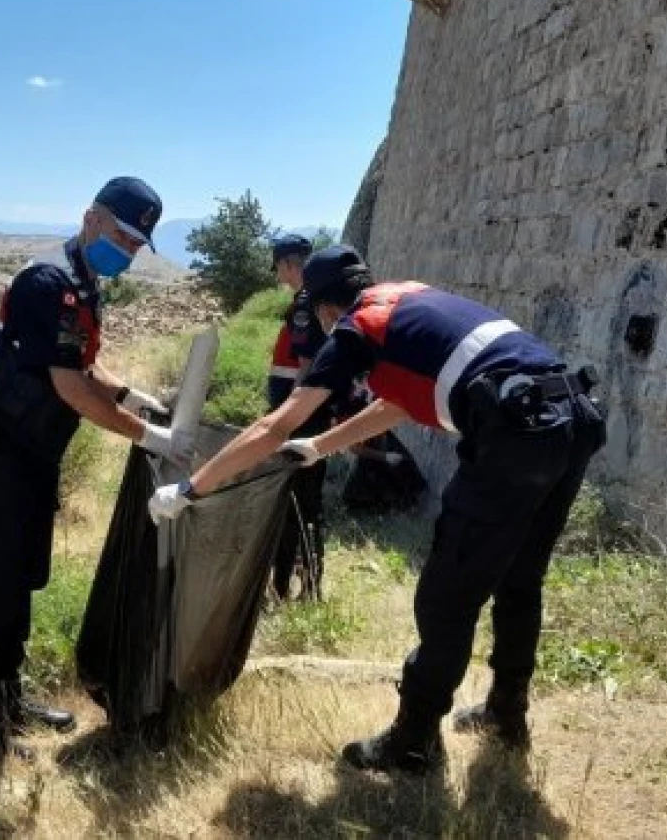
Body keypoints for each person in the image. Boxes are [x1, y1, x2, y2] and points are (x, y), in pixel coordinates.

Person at [149, 245, 606, 774]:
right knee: (520, 580)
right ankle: (508, 713)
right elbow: (396, 402)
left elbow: (275, 425)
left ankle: (412, 743)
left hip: (514, 433)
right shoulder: (406, 300)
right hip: (570, 417)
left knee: (446, 596)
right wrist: (319, 447)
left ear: (322, 308)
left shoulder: (355, 327)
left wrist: (191, 488)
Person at [0, 176, 194, 761]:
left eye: (138, 246)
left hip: (32, 456)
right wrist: (151, 436)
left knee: (19, 581)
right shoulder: (46, 281)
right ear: (91, 219)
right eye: (124, 237)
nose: (128, 253)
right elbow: (70, 387)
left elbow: (86, 364)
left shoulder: (83, 283)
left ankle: (6, 699)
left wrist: (135, 399)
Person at [264, 234, 330, 602]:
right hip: (308, 418)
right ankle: (305, 585)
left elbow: (305, 369)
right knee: (306, 503)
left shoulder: (306, 303)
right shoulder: (315, 300)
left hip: (300, 420)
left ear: (290, 264)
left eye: (279, 268)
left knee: (293, 504)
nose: (280, 277)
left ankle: (283, 586)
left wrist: (285, 422)